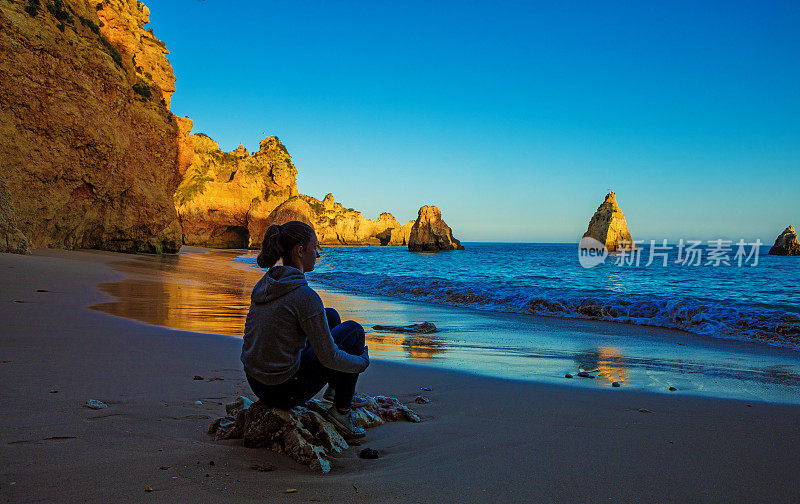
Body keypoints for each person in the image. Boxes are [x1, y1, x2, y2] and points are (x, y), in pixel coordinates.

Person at [241, 220, 370, 438]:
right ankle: (341, 412)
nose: (318, 254)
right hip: (281, 391)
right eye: (315, 247)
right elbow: (329, 357)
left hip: (256, 382)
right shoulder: (304, 297)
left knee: (330, 316)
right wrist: (361, 363)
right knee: (354, 331)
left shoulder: (266, 283)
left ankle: (336, 389)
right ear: (300, 251)